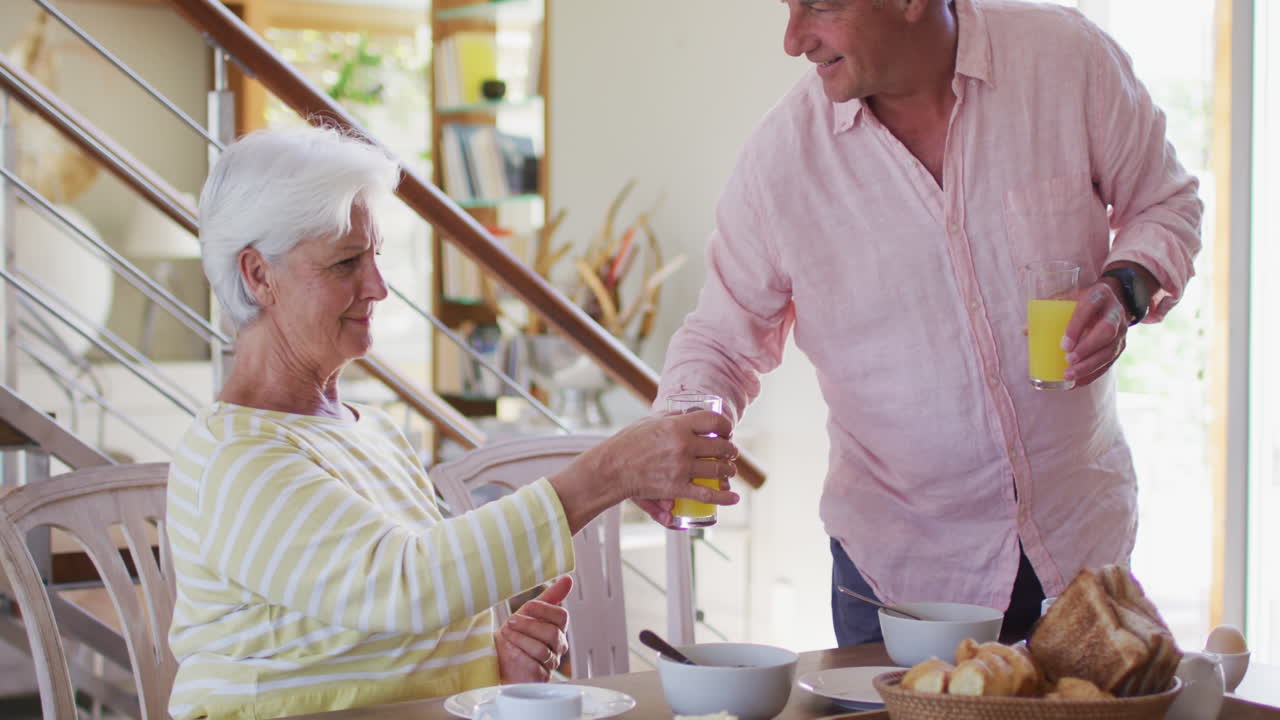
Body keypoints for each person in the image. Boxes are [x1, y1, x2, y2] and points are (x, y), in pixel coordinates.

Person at [651, 0, 1201, 646]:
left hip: (1080, 557)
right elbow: (720, 340)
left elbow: (1166, 203)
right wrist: (677, 424)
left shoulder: (1066, 60)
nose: (794, 40)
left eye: (819, 7)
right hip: (900, 585)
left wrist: (1124, 288)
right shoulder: (781, 163)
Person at [166, 126, 740, 720]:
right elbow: (402, 584)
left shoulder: (371, 432)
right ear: (259, 275)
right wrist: (609, 472)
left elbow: (399, 619)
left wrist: (493, 667)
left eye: (375, 256)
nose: (378, 287)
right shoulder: (235, 458)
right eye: (345, 263)